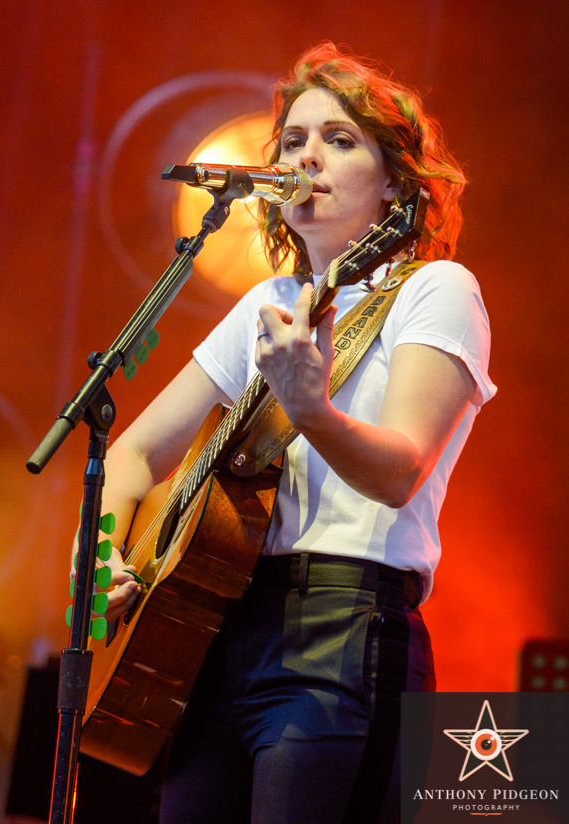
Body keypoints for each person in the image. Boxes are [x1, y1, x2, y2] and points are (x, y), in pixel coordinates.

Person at [98, 43, 496, 823]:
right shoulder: (266, 304)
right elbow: (132, 454)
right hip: (214, 633)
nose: (305, 155)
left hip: (342, 633)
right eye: (291, 141)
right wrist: (101, 548)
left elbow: (398, 472)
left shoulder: (435, 289)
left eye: (338, 140)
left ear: (393, 181)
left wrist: (310, 407)